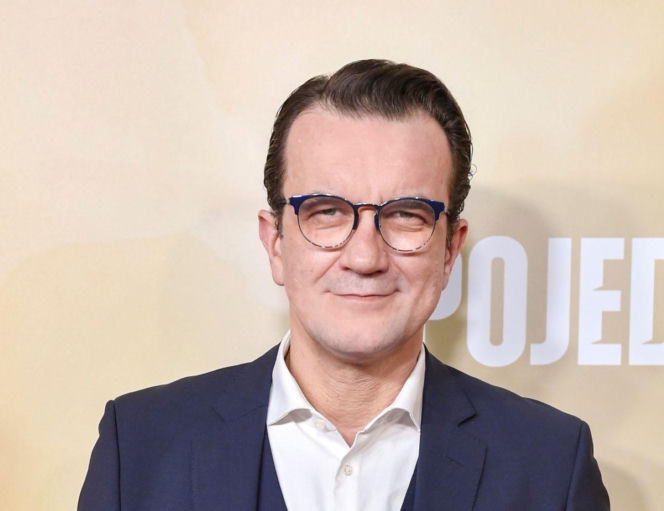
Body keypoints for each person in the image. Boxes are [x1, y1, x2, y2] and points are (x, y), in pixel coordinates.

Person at [79, 59, 610, 511]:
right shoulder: (140, 447)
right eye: (327, 211)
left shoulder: (550, 466)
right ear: (276, 243)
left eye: (406, 214)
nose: (364, 257)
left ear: (450, 250)